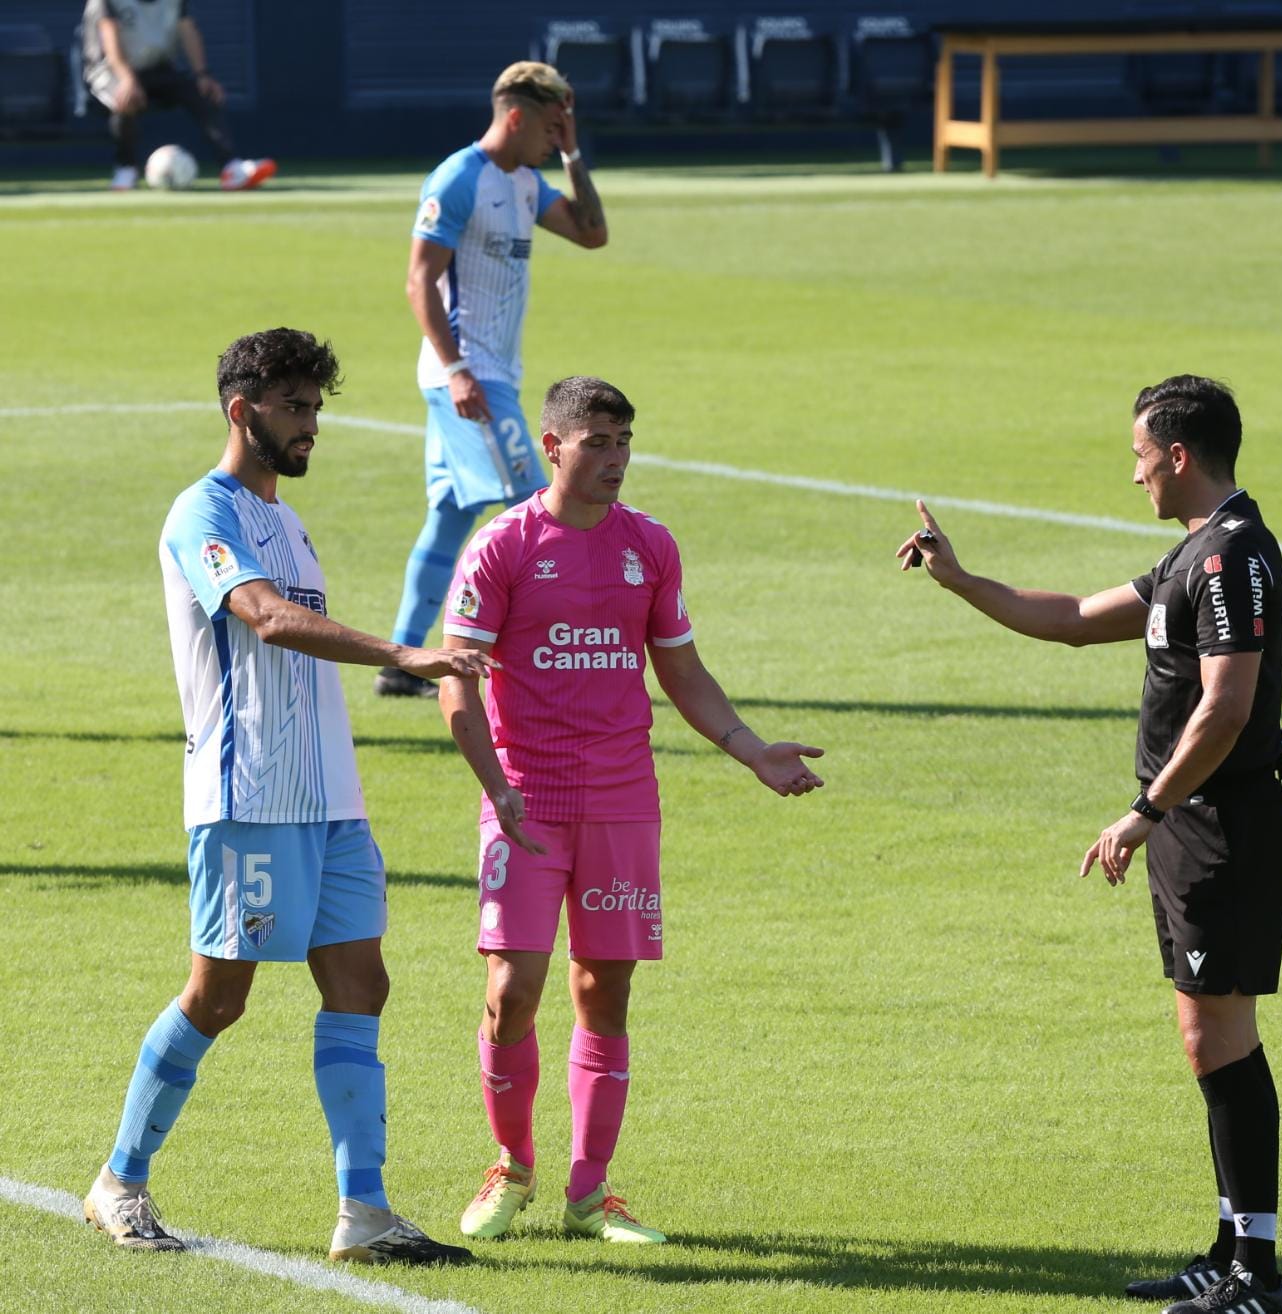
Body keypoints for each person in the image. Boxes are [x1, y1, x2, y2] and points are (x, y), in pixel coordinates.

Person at [83, 329, 485, 1264]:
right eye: (294, 409)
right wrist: (400, 651)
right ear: (243, 411)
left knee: (360, 981)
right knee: (219, 996)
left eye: (315, 408)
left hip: (330, 797)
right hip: (249, 792)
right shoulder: (202, 514)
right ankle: (120, 1181)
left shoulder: (287, 519)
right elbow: (264, 618)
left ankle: (365, 1213)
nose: (312, 427)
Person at [900, 376, 1282, 1314]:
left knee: (1221, 1035)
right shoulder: (1190, 555)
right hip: (1191, 825)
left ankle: (1258, 1275)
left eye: (1141, 456)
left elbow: (1228, 704)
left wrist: (1146, 809)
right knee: (1206, 1037)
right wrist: (961, 579)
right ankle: (1229, 1249)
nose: (1136, 474)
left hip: (1219, 824)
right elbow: (1073, 619)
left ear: (1181, 455)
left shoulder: (1234, 557)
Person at [437, 376, 824, 1245]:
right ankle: (512, 1165)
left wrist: (751, 748)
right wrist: (495, 785)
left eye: (623, 444)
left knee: (603, 991)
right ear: (553, 447)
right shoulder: (501, 547)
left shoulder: (647, 545)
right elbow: (456, 679)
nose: (615, 460)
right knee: (513, 989)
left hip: (621, 805)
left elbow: (681, 668)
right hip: (526, 802)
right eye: (597, 444)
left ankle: (589, 1191)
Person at [374, 60, 610, 699]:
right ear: (516, 116)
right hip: (469, 378)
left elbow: (593, 234)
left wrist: (574, 154)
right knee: (540, 507)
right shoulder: (458, 179)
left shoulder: (529, 182)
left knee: (450, 514)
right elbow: (419, 281)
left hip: (490, 375)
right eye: (550, 127)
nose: (555, 138)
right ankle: (545, 658)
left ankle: (401, 665)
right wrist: (456, 371)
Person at [81, 0, 275, 192]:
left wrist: (202, 74)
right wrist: (127, 79)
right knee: (125, 99)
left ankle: (231, 167)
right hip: (109, 69)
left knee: (204, 94)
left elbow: (187, 29)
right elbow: (109, 38)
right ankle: (126, 168)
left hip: (157, 67)